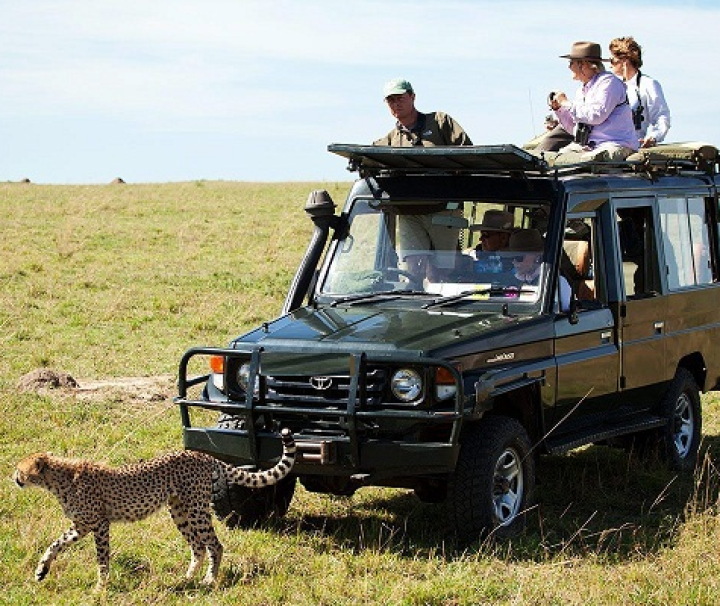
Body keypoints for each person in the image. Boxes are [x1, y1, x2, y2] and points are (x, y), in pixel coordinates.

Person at [547, 41, 638, 162]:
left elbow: (596, 116)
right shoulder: (582, 89)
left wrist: (566, 103)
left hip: (615, 144)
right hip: (589, 147)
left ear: (584, 64)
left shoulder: (609, 83)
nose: (569, 67)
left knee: (591, 161)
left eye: (571, 63)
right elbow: (575, 128)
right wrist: (559, 110)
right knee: (557, 160)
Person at [609, 37, 671, 148]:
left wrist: (653, 137)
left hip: (633, 148)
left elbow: (661, 116)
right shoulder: (613, 85)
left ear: (624, 61)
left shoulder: (648, 84)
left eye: (612, 60)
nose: (610, 64)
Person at [374, 78, 473, 147]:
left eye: (400, 98)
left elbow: (468, 154)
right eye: (391, 100)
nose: (396, 104)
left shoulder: (439, 121)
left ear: (412, 97)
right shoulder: (390, 140)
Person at [507, 229, 571, 310]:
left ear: (537, 255)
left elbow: (563, 314)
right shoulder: (509, 279)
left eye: (518, 257)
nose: (514, 262)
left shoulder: (556, 281)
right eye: (511, 258)